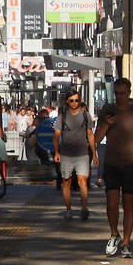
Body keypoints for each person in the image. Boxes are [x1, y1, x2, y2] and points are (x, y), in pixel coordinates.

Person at [93, 78, 133, 258]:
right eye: (117, 93)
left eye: (122, 93)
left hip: (131, 163)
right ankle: (114, 234)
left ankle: (126, 242)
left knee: (129, 204)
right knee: (112, 203)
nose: (119, 96)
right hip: (112, 163)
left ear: (129, 93)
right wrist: (106, 124)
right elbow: (97, 138)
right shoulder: (107, 111)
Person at [55, 89, 96, 220]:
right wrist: (56, 152)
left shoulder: (85, 115)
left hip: (82, 153)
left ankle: (83, 207)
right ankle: (68, 209)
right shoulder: (63, 116)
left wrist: (94, 154)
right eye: (71, 100)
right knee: (66, 182)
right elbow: (56, 135)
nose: (74, 103)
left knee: (82, 181)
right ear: (67, 101)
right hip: (66, 154)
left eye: (77, 100)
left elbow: (90, 134)